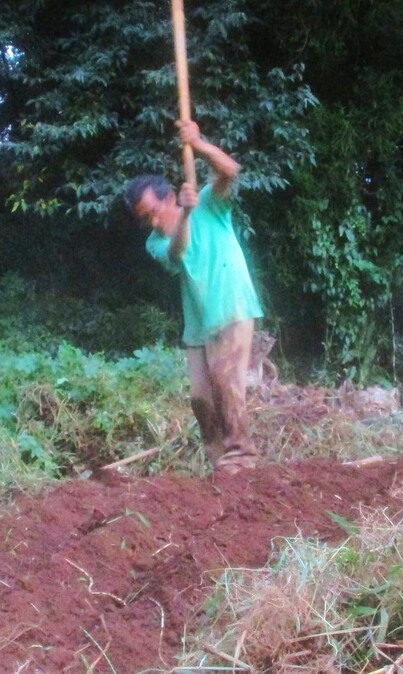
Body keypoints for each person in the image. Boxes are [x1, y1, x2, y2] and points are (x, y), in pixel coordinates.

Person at [124, 120, 262, 474]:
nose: (153, 222)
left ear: (168, 196)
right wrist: (184, 215)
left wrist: (198, 143)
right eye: (145, 218)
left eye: (155, 211)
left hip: (231, 303)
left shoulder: (208, 203)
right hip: (198, 319)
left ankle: (242, 458)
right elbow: (179, 249)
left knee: (227, 384)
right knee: (201, 398)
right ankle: (220, 463)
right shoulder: (155, 242)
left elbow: (230, 171)